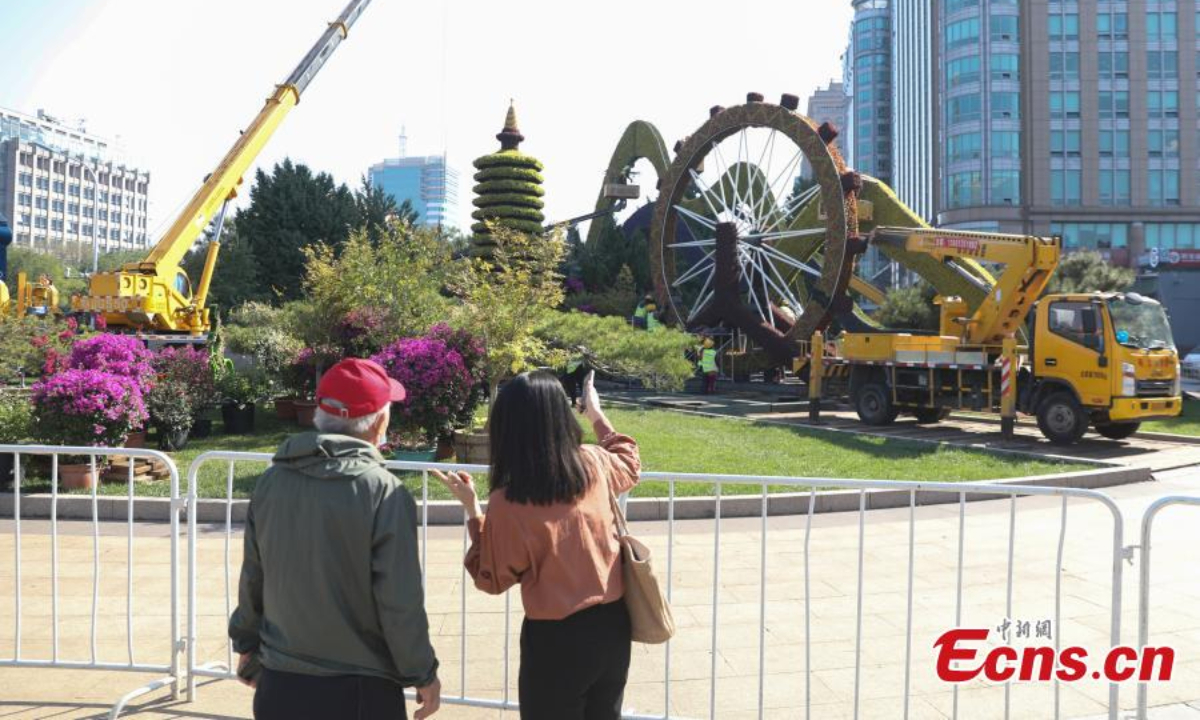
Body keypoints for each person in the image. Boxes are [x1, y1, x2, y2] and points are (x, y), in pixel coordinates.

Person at [229, 358, 441, 720]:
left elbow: (254, 574)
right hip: (360, 687)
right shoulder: (383, 491)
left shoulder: (271, 480)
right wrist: (422, 671)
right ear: (379, 420)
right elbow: (398, 599)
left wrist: (246, 641)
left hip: (281, 680)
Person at [434, 370, 640, 720]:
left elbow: (492, 578)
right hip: (614, 627)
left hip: (556, 640)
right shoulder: (594, 462)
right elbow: (629, 461)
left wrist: (472, 510)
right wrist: (595, 413)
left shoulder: (511, 500)